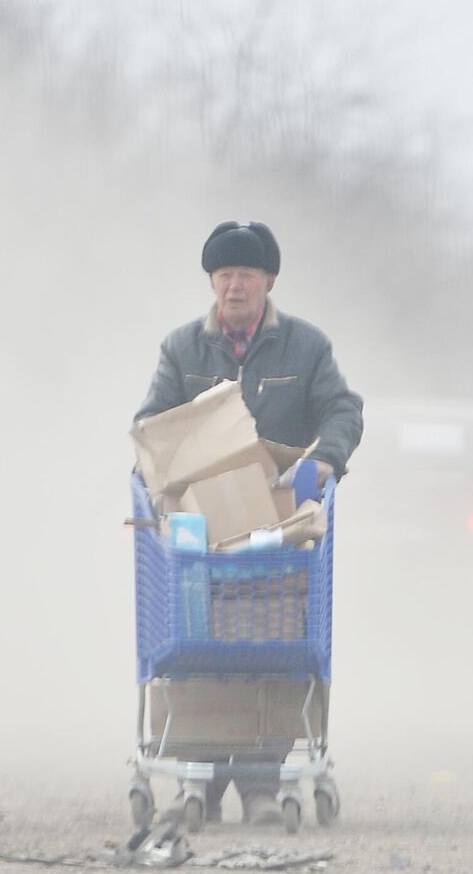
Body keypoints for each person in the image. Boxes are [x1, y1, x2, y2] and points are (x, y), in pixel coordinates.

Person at [135, 220, 363, 823]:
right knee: (197, 647)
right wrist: (155, 483)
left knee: (271, 645)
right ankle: (200, 785)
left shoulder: (305, 347)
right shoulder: (182, 349)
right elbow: (151, 423)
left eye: (247, 274)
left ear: (269, 281)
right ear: (211, 281)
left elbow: (343, 409)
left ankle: (261, 783)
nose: (234, 286)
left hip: (278, 530)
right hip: (201, 534)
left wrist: (324, 460)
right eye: (224, 274)